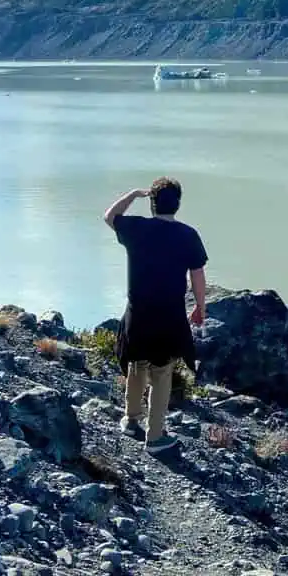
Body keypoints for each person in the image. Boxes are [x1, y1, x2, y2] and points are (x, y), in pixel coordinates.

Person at [102, 177, 208, 456]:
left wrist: (133, 193)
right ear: (178, 204)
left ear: (152, 203)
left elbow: (109, 216)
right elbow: (197, 274)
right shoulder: (188, 235)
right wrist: (200, 307)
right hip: (170, 315)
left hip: (138, 313)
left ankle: (131, 418)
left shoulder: (136, 227)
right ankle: (156, 436)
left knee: (137, 363)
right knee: (162, 373)